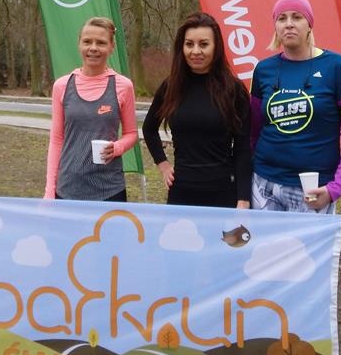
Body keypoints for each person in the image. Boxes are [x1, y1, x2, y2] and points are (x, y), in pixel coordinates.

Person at [249, 0, 341, 355]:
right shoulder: (263, 71)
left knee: (314, 291)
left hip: (313, 196)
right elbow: (253, 130)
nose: (289, 24)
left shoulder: (339, 68)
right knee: (271, 285)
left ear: (310, 23)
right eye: (281, 17)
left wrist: (335, 187)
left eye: (296, 16)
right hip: (265, 188)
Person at [142, 12, 252, 208]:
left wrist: (243, 198)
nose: (195, 51)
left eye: (204, 44)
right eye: (189, 44)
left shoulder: (234, 89)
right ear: (181, 47)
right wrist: (163, 164)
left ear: (216, 47)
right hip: (181, 190)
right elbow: (149, 129)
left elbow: (243, 147)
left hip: (224, 191)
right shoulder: (170, 87)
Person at [44, 17, 138, 202]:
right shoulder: (62, 86)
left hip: (109, 190)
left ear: (111, 47)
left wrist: (117, 147)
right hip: (68, 189)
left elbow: (132, 134)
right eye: (87, 41)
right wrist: (49, 191)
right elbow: (56, 140)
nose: (93, 48)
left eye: (101, 43)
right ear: (79, 44)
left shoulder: (123, 86)